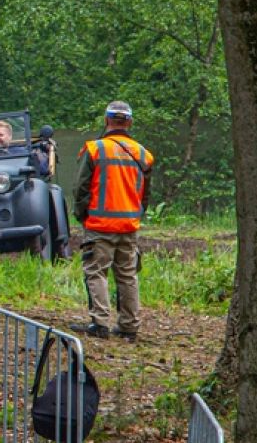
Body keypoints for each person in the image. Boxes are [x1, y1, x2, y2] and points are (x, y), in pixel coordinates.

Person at [70, 101, 155, 343]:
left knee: (96, 272)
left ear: (106, 120)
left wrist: (82, 216)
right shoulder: (143, 154)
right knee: (127, 275)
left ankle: (100, 323)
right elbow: (144, 195)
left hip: (99, 224)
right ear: (129, 122)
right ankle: (129, 326)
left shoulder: (95, 149)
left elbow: (80, 188)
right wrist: (135, 216)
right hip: (128, 226)